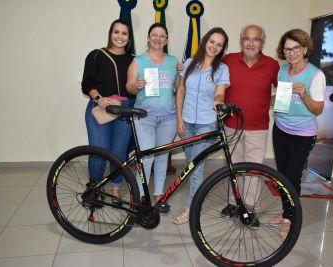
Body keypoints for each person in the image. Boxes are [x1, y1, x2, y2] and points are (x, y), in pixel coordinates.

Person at [271, 29, 326, 240]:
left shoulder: (315, 75)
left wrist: (304, 94)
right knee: (282, 175)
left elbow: (318, 110)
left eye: (296, 48)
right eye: (287, 48)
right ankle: (287, 212)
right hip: (281, 128)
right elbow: (282, 99)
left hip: (303, 133)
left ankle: (290, 219)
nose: (291, 52)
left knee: (293, 175)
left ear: (304, 49)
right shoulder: (283, 70)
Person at [173, 27, 230, 224]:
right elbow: (180, 91)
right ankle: (195, 200)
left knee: (196, 170)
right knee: (191, 167)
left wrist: (218, 100)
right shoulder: (189, 63)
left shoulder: (222, 69)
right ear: (205, 41)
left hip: (206, 125)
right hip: (187, 123)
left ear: (222, 48)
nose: (214, 46)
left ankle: (190, 210)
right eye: (212, 41)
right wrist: (179, 119)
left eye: (219, 44)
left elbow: (220, 92)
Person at [221, 24, 279, 214]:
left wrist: (266, 101)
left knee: (253, 170)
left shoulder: (272, 64)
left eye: (256, 39)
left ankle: (250, 209)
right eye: (247, 38)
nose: (251, 43)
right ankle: (233, 203)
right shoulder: (228, 60)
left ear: (262, 43)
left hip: (258, 126)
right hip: (231, 125)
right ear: (241, 41)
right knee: (234, 168)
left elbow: (284, 92)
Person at [126, 23, 178, 213]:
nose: (158, 39)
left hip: (168, 118)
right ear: (148, 38)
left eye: (162, 36)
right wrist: (136, 85)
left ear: (166, 40)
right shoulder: (138, 61)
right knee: (146, 158)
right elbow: (129, 87)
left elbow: (180, 89)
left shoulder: (173, 62)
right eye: (154, 35)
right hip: (144, 118)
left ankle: (158, 195)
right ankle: (141, 196)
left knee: (163, 156)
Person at [81, 19, 135, 200]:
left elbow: (135, 87)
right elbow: (86, 83)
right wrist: (99, 98)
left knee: (119, 153)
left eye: (124, 33)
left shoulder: (134, 60)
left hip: (125, 109)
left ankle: (116, 188)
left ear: (129, 37)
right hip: (100, 108)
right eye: (116, 32)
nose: (120, 36)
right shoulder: (96, 55)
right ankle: (94, 188)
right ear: (110, 34)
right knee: (99, 151)